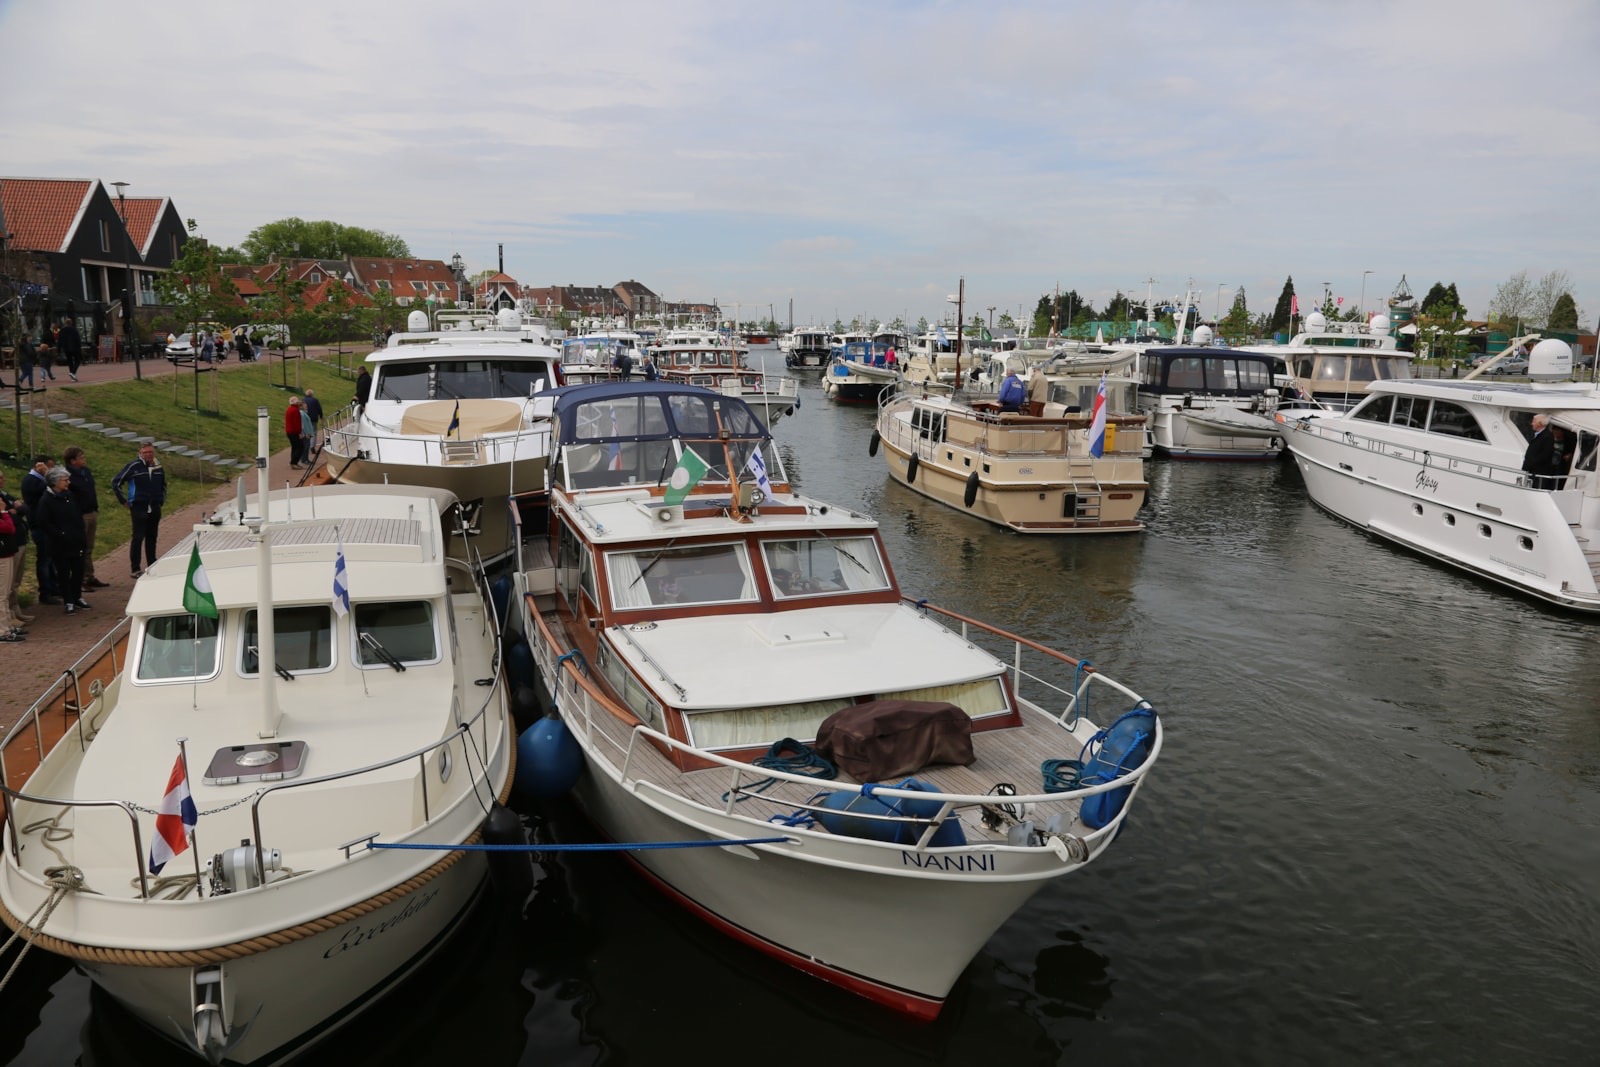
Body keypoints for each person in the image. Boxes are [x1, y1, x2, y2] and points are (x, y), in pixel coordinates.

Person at [37, 467, 89, 614]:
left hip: (76, 540)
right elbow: (44, 523)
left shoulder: (69, 495)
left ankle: (77, 596)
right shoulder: (46, 500)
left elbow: (78, 512)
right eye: (65, 480)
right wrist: (61, 534)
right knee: (64, 573)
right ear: (55, 482)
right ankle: (69, 601)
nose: (68, 483)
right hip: (60, 544)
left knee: (78, 571)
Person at [112, 442, 166, 577]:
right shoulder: (134, 466)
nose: (148, 454)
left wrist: (161, 500)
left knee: (152, 537)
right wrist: (123, 501)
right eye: (145, 452)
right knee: (138, 537)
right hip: (139, 507)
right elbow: (116, 482)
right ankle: (135, 568)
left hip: (154, 507)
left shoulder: (158, 467)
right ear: (140, 453)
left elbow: (163, 485)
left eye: (150, 452)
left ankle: (152, 564)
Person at [64, 446, 109, 589]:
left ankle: (90, 575)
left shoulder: (86, 472)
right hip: (80, 515)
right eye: (81, 457)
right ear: (72, 461)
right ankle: (80, 579)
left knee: (89, 547)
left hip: (91, 512)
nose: (84, 459)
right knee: (80, 548)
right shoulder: (67, 476)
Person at [20, 455, 59, 603]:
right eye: (49, 467)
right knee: (44, 559)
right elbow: (49, 491)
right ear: (39, 466)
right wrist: (49, 476)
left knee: (51, 558)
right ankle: (45, 592)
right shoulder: (31, 481)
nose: (51, 470)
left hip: (49, 525)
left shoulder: (40, 480)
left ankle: (54, 587)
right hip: (39, 525)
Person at [0, 470, 31, 639]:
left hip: (9, 549)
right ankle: (3, 630)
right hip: (2, 552)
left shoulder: (4, 495)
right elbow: (7, 527)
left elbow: (23, 508)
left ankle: (8, 626)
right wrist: (5, 513)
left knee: (6, 592)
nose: (2, 480)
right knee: (2, 594)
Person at [286, 396, 307, 467]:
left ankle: (293, 462)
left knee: (294, 447)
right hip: (294, 432)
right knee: (300, 447)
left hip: (289, 431)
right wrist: (300, 433)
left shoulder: (289, 409)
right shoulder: (295, 410)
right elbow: (297, 423)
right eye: (298, 401)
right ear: (296, 402)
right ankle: (294, 462)